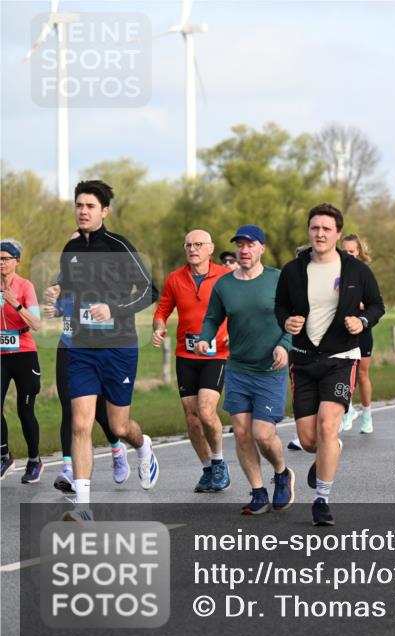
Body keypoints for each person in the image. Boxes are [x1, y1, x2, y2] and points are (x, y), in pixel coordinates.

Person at [49, 181, 159, 521]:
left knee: (119, 426)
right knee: (81, 424)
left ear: (104, 211)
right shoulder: (71, 249)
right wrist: (58, 296)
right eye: (79, 205)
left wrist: (114, 308)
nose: (82, 211)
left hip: (118, 348)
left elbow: (149, 291)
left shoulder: (119, 246)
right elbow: (71, 291)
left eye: (90, 206)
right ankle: (83, 507)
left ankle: (143, 446)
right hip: (82, 349)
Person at [275, 205, 384, 526]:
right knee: (310, 440)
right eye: (315, 228)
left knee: (326, 426)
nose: (320, 234)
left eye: (326, 229)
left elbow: (377, 305)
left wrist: (362, 321)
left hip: (342, 358)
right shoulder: (293, 270)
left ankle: (321, 500)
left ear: (337, 233)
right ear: (308, 232)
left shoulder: (356, 270)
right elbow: (280, 306)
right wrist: (287, 321)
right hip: (303, 360)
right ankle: (329, 449)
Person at [198, 224, 294, 516]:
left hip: (270, 370)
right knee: (241, 433)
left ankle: (281, 473)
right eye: (240, 245)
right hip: (239, 368)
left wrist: (285, 346)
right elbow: (212, 318)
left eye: (250, 244)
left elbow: (295, 319)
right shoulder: (224, 285)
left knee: (263, 434)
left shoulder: (279, 280)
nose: (244, 250)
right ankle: (258, 492)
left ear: (262, 248)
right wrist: (204, 338)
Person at [152, 230, 231, 493]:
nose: (193, 249)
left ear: (210, 248)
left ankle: (219, 463)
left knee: (206, 411)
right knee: (192, 417)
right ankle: (208, 468)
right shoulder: (175, 278)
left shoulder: (225, 277)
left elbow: (238, 309)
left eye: (198, 244)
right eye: (188, 245)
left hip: (216, 353)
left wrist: (234, 332)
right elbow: (162, 310)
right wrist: (159, 328)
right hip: (186, 355)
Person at [43, 234, 123, 493]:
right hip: (68, 346)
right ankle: (69, 468)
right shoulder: (65, 274)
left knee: (100, 411)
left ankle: (117, 449)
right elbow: (61, 302)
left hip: (97, 348)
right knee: (69, 408)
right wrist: (55, 306)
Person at [0, 240, 43, 482]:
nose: (1, 263)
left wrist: (15, 303)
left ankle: (35, 460)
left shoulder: (25, 286)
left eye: (6, 258)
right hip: (1, 356)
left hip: (24, 354)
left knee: (25, 411)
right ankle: (4, 456)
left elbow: (36, 324)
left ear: (17, 261)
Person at [339, 233, 378, 435]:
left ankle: (367, 415)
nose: (348, 255)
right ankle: (348, 410)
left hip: (362, 330)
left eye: (352, 251)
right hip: (342, 331)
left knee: (362, 374)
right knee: (343, 373)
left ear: (359, 252)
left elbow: (373, 304)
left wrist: (356, 304)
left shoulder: (364, 273)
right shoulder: (335, 272)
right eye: (344, 251)